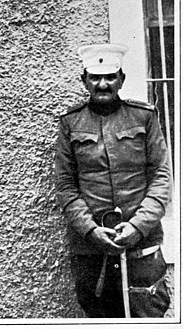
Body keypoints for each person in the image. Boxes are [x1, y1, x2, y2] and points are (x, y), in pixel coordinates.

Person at [55, 43, 172, 318]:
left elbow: (161, 177)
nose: (103, 84)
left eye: (110, 77)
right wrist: (90, 230)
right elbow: (65, 185)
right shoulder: (71, 122)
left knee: (148, 315)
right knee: (101, 317)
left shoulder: (144, 117)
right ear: (84, 81)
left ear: (122, 79)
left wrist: (138, 226)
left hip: (141, 245)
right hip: (91, 250)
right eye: (95, 77)